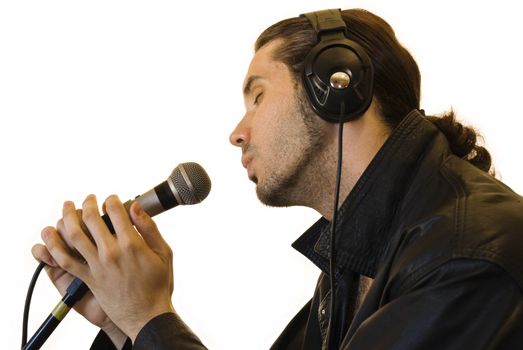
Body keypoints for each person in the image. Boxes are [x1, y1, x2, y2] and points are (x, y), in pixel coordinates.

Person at [32, 8, 523, 349]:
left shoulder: (468, 254)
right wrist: (126, 323)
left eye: (258, 96)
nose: (237, 133)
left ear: (337, 85)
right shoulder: (353, 270)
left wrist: (150, 318)